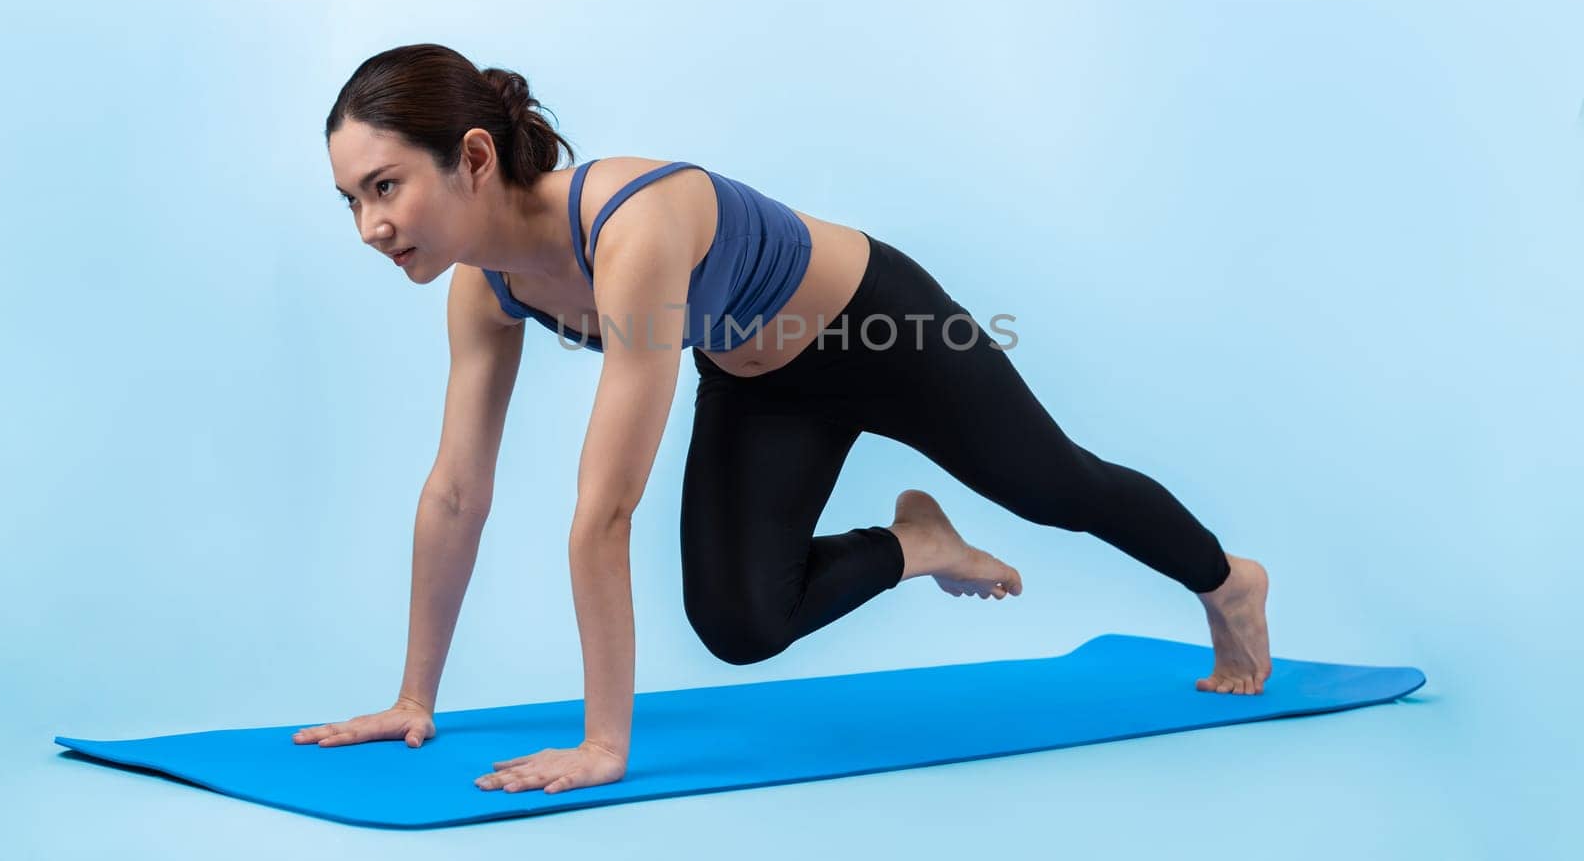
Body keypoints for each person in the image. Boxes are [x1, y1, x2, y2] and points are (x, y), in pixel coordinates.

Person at [294, 43, 1272, 797]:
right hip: (762, 382)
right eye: (350, 199)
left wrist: (604, 740)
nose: (369, 225)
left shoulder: (629, 224)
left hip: (882, 331)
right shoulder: (483, 292)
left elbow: (606, 506)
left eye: (385, 186)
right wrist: (415, 695)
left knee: (1056, 486)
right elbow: (457, 491)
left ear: (471, 157)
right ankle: (915, 541)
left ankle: (1228, 579)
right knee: (738, 622)